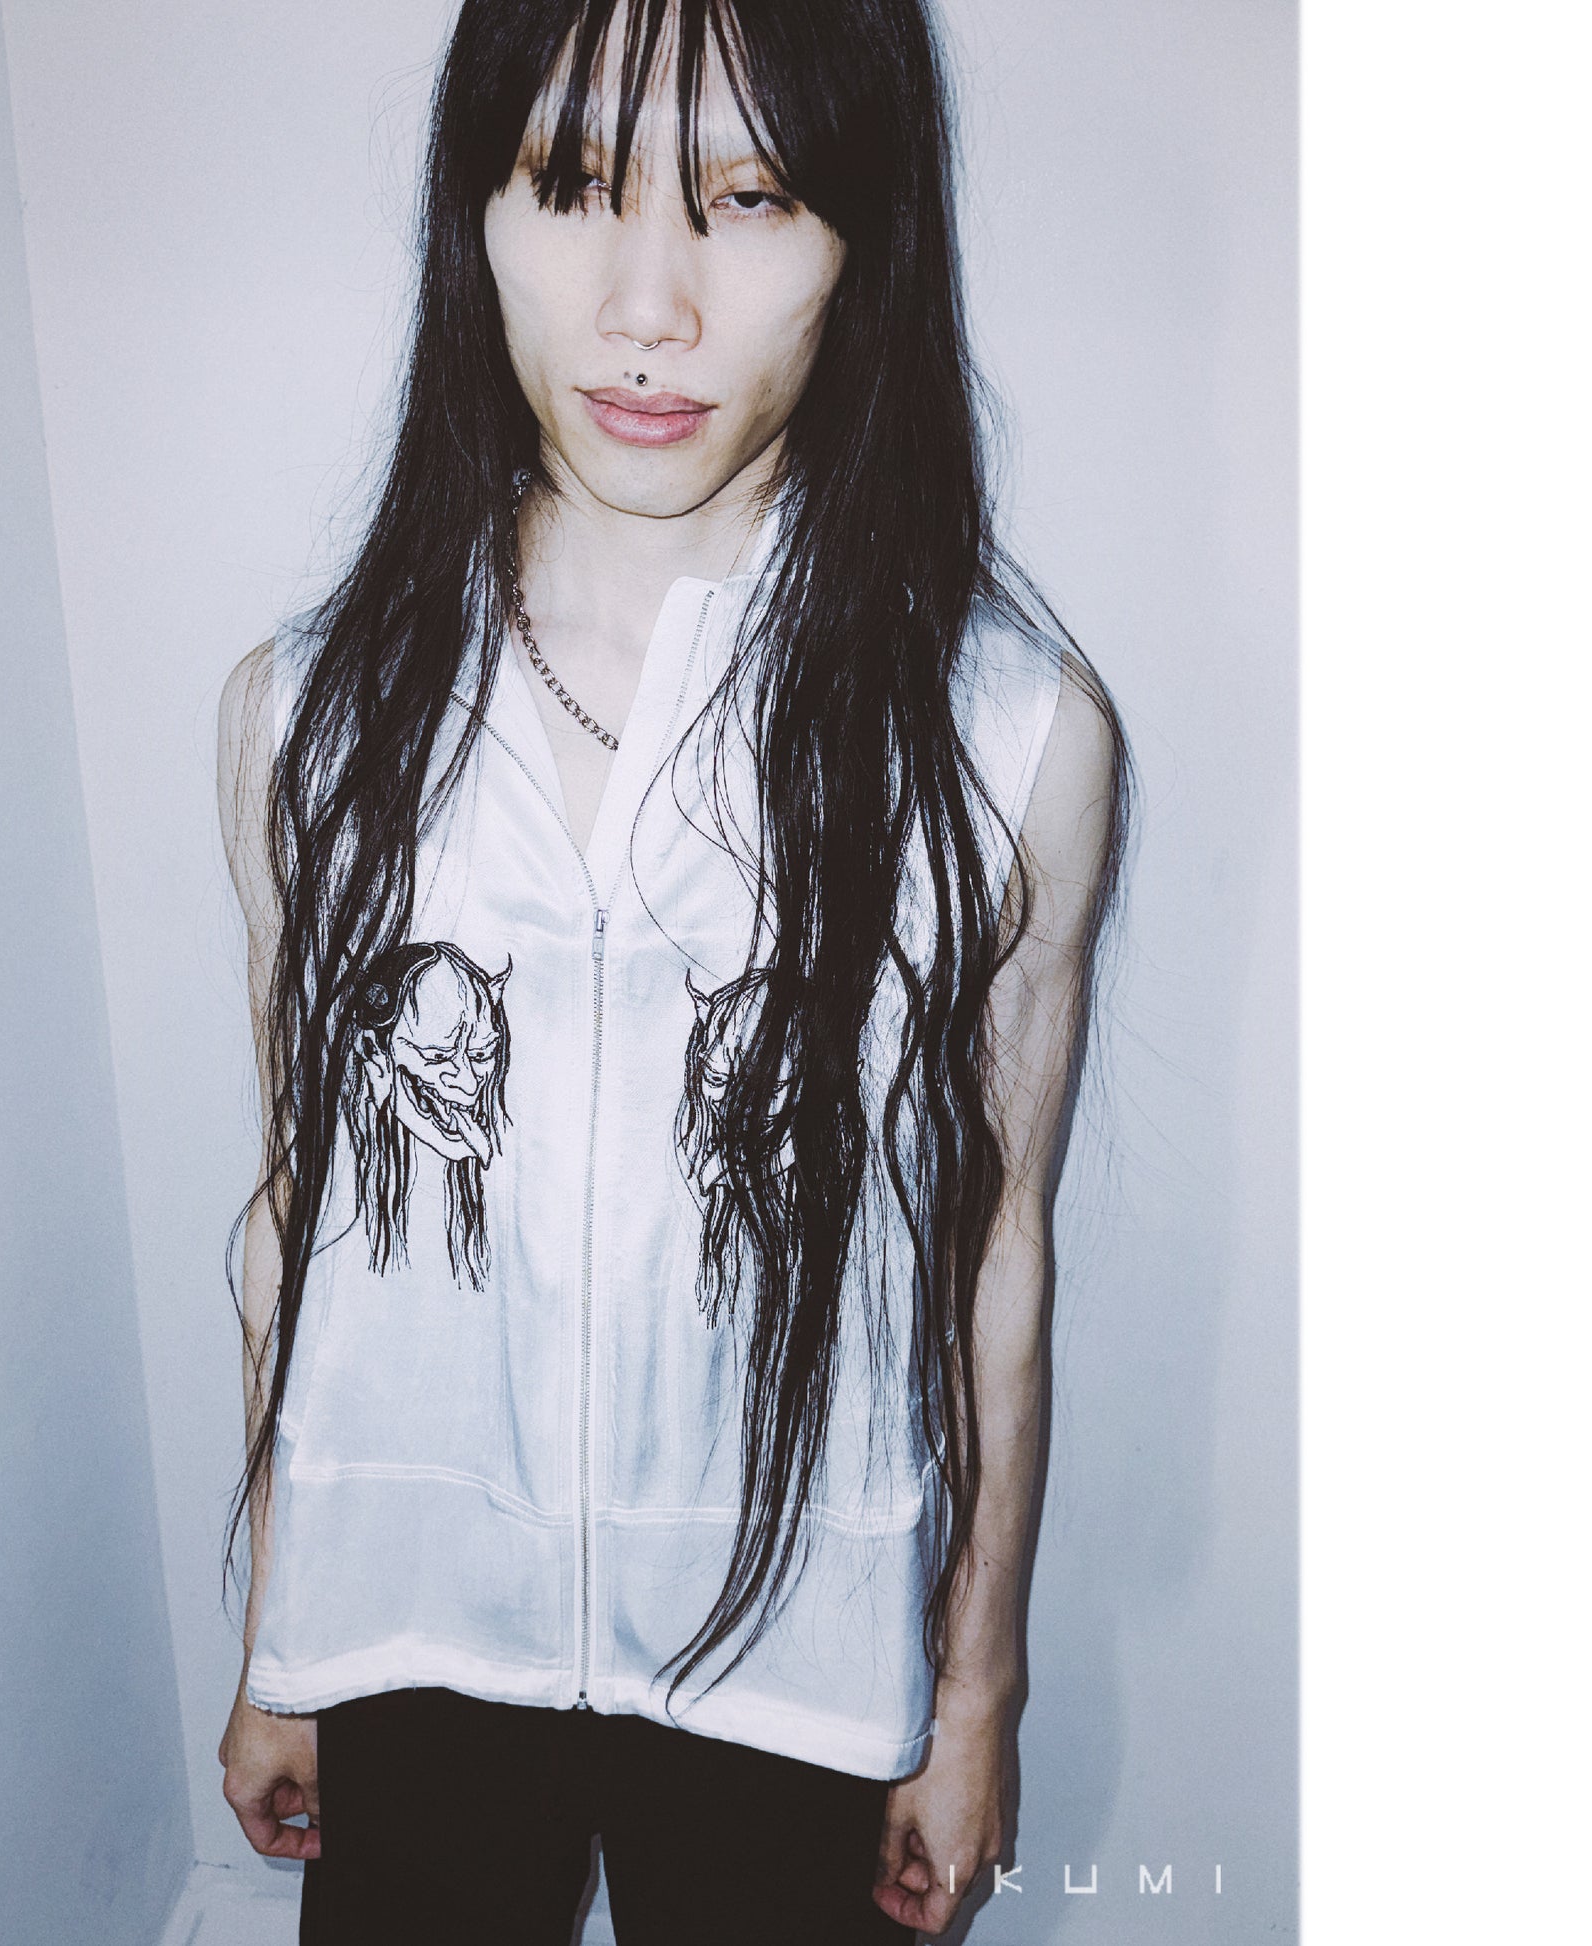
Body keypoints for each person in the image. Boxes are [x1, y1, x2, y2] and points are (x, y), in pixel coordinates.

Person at [215, 2, 1129, 1939]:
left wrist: (974, 1691)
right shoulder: (308, 721)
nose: (647, 307)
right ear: (475, 214)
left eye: (750, 196)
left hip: (791, 1656)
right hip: (413, 1633)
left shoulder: (1006, 740)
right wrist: (284, 1630)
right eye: (569, 183)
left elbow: (996, 1247)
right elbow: (303, 1220)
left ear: (862, 237)